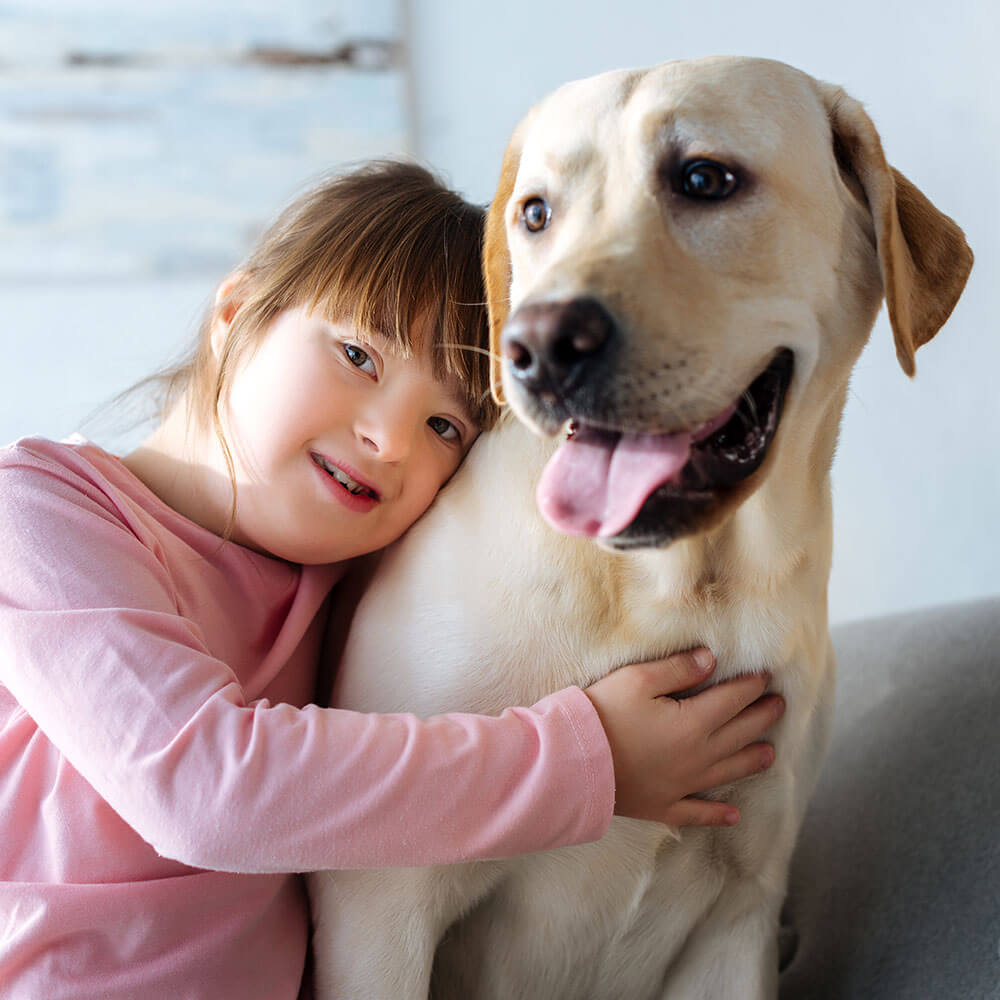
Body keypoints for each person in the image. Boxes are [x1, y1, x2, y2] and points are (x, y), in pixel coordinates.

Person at [0, 160, 784, 999]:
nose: (391, 441)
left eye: (445, 423)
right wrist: (586, 761)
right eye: (356, 354)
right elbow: (202, 789)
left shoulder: (358, 586)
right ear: (235, 315)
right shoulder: (41, 509)